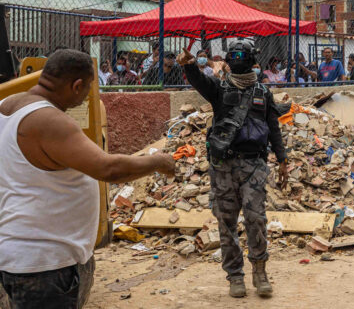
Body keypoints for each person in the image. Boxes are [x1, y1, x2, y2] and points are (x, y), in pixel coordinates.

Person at [0, 49, 174, 309]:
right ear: (77, 85)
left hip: (25, 256)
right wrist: (159, 162)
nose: (87, 97)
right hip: (46, 264)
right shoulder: (48, 120)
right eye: (88, 88)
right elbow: (110, 169)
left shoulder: (9, 105)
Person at [177, 40, 288, 299]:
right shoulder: (219, 88)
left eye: (242, 55)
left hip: (254, 164)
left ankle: (260, 272)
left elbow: (274, 127)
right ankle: (235, 276)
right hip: (223, 164)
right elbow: (199, 82)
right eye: (234, 55)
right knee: (226, 222)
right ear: (228, 59)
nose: (238, 59)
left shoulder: (262, 92)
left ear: (252, 60)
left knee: (256, 219)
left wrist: (283, 159)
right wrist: (191, 65)